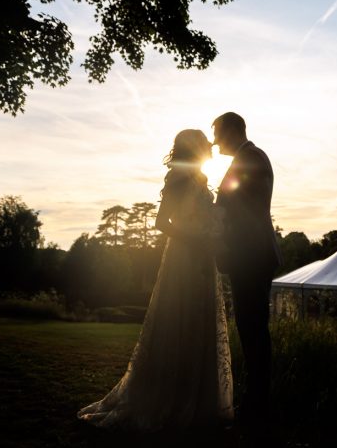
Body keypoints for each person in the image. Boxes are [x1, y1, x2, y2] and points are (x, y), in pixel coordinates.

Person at [77, 129, 233, 430]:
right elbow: (163, 222)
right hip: (184, 259)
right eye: (204, 142)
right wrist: (196, 239)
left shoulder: (200, 178)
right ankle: (169, 398)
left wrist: (213, 234)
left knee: (199, 322)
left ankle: (199, 401)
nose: (210, 146)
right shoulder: (178, 177)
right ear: (193, 147)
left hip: (203, 259)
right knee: (179, 320)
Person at [212, 112, 282, 424]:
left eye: (217, 134)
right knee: (251, 327)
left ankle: (258, 403)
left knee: (253, 328)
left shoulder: (250, 158)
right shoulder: (249, 157)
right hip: (250, 255)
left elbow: (233, 209)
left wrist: (210, 218)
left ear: (232, 130)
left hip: (251, 255)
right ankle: (257, 400)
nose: (214, 143)